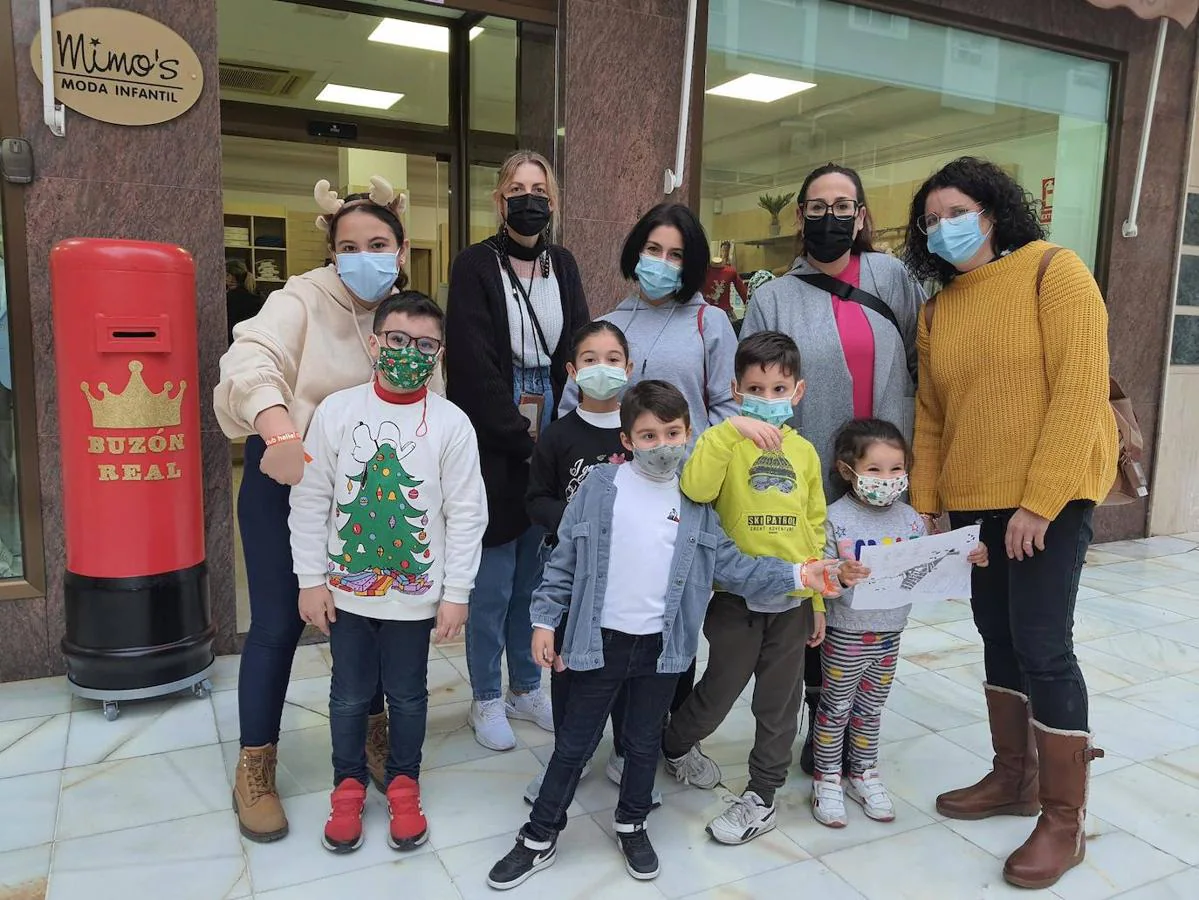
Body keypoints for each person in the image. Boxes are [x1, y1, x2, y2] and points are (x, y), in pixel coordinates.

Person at [485, 381, 846, 890]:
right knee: (574, 743)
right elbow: (564, 558)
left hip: (661, 649)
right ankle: (538, 836)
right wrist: (544, 620)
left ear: (689, 435)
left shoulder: (696, 502)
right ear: (628, 439)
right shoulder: (600, 487)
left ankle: (632, 824)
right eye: (649, 435)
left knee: (640, 743)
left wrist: (797, 577)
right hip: (597, 642)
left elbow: (733, 564)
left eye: (673, 433)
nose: (662, 445)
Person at [901, 156, 1117, 890]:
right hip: (975, 501)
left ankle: (1063, 818)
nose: (942, 228)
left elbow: (1081, 389)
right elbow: (930, 413)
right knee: (995, 636)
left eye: (954, 212)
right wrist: (929, 502)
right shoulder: (937, 308)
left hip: (1046, 500)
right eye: (929, 220)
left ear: (992, 211)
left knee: (1042, 645)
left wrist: (1042, 499)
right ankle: (1012, 777)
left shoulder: (1050, 271)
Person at [215, 175, 444, 842]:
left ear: (401, 250)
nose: (362, 257)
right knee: (279, 624)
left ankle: (373, 738)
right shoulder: (301, 300)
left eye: (377, 244)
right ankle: (255, 765)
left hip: (369, 500)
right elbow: (249, 357)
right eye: (348, 246)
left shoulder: (409, 317)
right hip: (287, 480)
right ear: (331, 251)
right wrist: (279, 427)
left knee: (367, 619)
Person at [740, 162, 927, 776]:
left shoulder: (891, 276)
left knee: (874, 595)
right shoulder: (772, 296)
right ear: (800, 217)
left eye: (843, 205)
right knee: (822, 595)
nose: (831, 216)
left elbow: (921, 360)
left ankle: (860, 731)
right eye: (817, 206)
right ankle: (823, 730)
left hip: (883, 473)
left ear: (862, 215)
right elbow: (753, 393)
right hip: (810, 469)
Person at [289, 292, 487, 853]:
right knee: (348, 696)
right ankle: (347, 786)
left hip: (415, 600)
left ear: (439, 354)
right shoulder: (337, 412)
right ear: (375, 343)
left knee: (408, 696)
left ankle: (403, 783)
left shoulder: (451, 424)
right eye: (397, 340)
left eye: (425, 345)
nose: (409, 353)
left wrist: (456, 593)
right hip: (346, 596)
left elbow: (467, 512)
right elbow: (310, 499)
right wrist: (309, 579)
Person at [661, 332, 866, 845]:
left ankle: (762, 795)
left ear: (797, 392)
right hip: (736, 598)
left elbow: (813, 527)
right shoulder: (722, 441)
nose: (767, 397)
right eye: (755, 388)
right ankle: (674, 742)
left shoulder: (803, 453)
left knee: (779, 703)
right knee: (719, 691)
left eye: (778, 388)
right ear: (735, 389)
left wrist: (817, 601)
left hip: (795, 602)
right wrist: (732, 431)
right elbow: (695, 488)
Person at [558, 203, 739, 712]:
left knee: (676, 606)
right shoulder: (607, 324)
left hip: (683, 491)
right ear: (636, 252)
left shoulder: (710, 321)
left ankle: (664, 733)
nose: (662, 262)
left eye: (676, 255)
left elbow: (724, 408)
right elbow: (576, 407)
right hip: (617, 495)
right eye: (653, 250)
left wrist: (687, 460)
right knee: (615, 606)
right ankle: (610, 729)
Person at [445, 150, 590, 752]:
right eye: (517, 189)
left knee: (537, 570)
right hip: (494, 433)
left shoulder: (564, 263)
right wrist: (520, 437)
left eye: (540, 188)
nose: (529, 198)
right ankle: (484, 694)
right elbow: (473, 361)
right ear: (499, 201)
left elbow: (580, 341)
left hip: (553, 420)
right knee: (493, 577)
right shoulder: (476, 264)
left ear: (551, 201)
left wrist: (565, 430)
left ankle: (527, 684)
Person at [810, 418, 987, 829]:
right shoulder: (834, 517)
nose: (886, 479)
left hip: (891, 633)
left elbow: (933, 563)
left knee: (871, 708)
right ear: (847, 470)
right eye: (874, 470)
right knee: (835, 708)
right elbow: (819, 567)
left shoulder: (910, 520)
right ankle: (827, 778)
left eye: (896, 469)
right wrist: (839, 572)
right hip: (846, 634)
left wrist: (971, 555)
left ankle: (864, 772)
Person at [523, 321, 663, 806]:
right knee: (569, 668)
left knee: (631, 667)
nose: (601, 368)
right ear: (571, 370)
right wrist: (575, 521)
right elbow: (535, 498)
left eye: (612, 358)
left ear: (629, 365)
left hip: (632, 580)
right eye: (588, 359)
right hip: (572, 574)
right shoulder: (560, 435)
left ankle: (627, 752)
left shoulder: (644, 434)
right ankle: (573, 751)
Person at [702, 240, 749, 323]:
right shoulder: (702, 272)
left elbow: (743, 292)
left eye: (726, 250)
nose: (725, 252)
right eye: (723, 250)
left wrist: (750, 308)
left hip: (726, 312)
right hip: (706, 312)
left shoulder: (730, 272)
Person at [225, 258, 262, 345]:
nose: (228, 280)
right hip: (255, 344)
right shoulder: (258, 295)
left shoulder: (231, 297)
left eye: (227, 275)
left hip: (237, 344)